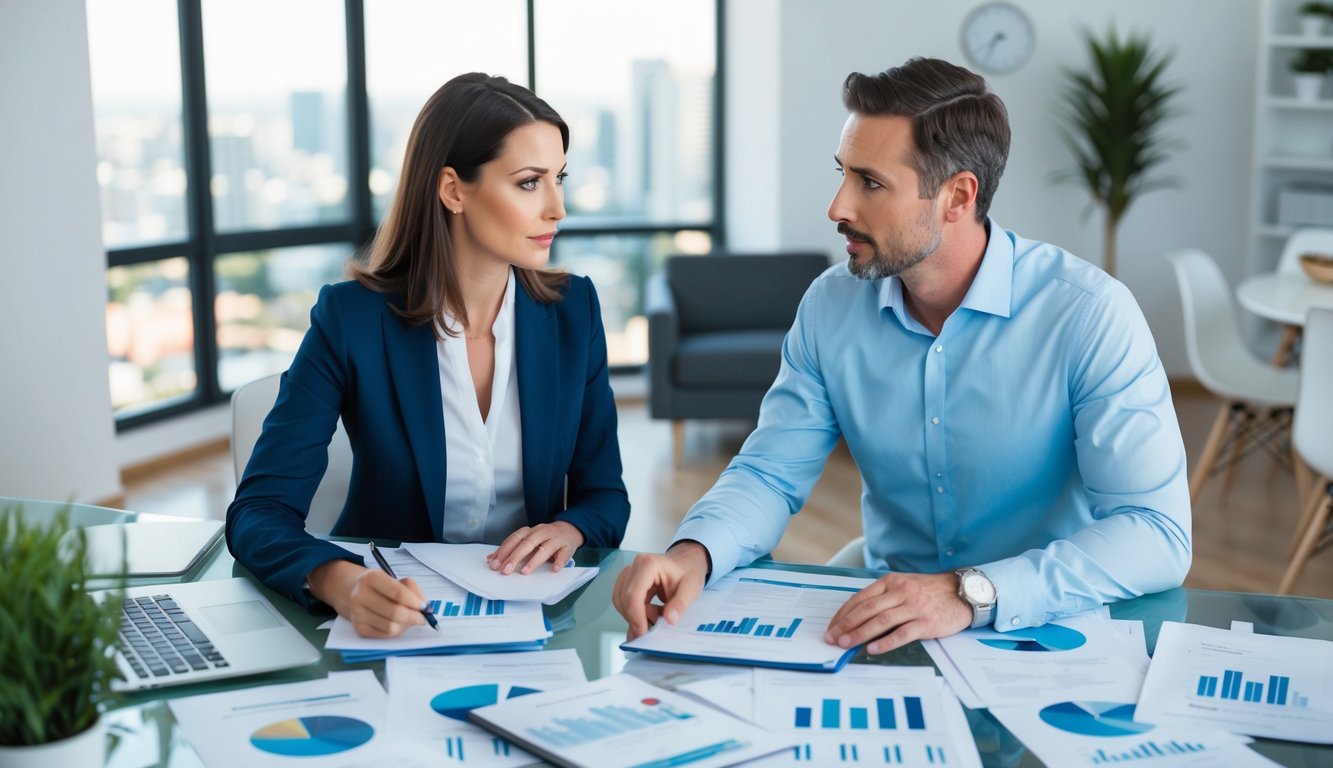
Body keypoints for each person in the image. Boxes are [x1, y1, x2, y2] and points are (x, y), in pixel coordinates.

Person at [613, 57, 1191, 655]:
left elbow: (1156, 533)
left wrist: (968, 593)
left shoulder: (1090, 314)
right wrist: (695, 552)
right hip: (887, 616)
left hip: (1045, 619)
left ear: (957, 196)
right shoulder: (830, 305)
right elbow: (768, 472)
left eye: (870, 182)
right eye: (843, 174)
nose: (838, 207)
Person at [228, 73, 629, 638]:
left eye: (559, 179)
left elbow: (605, 495)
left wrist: (571, 530)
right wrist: (339, 581)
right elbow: (258, 511)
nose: (558, 209)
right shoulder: (351, 320)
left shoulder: (574, 312)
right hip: (387, 623)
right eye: (529, 183)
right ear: (453, 190)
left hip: (530, 618)